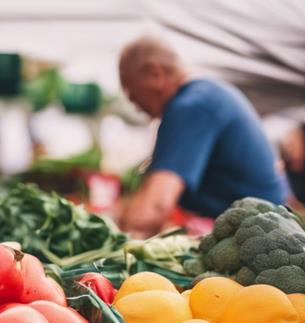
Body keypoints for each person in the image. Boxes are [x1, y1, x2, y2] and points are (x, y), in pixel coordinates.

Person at [119, 36, 288, 237]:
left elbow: (156, 206)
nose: (136, 106)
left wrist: (117, 233)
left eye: (131, 93)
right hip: (262, 228)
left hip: (260, 237)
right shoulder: (206, 94)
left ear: (155, 73)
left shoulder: (191, 107)